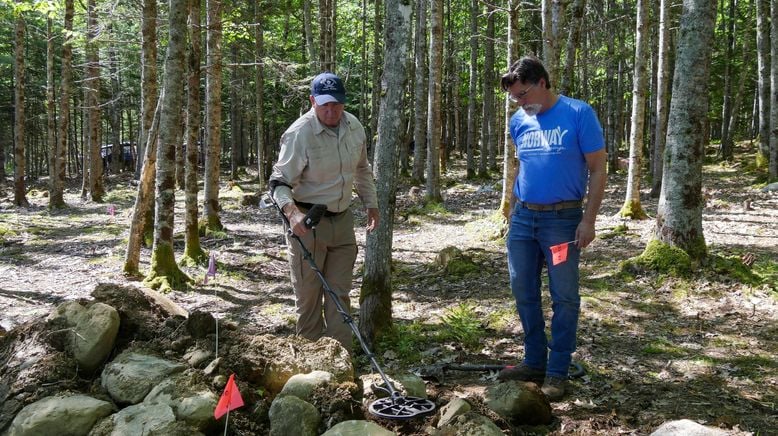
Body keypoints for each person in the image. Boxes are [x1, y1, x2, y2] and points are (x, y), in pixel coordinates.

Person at [497, 56, 607, 401]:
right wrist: (513, 211)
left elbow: (599, 170)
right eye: (515, 98)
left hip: (562, 222)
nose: (520, 102)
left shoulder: (578, 114)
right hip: (524, 221)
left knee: (564, 296)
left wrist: (588, 220)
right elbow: (521, 167)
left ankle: (557, 371)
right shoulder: (519, 121)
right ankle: (533, 360)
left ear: (543, 83)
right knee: (523, 291)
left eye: (523, 94)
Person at [269, 72, 379, 353]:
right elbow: (278, 183)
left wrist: (371, 203)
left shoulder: (354, 126)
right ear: (312, 101)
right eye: (325, 105)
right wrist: (292, 214)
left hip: (342, 220)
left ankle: (341, 360)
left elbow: (362, 168)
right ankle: (309, 364)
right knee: (309, 296)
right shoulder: (299, 134)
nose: (331, 111)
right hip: (307, 222)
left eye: (337, 104)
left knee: (339, 294)